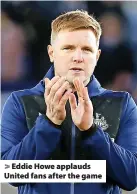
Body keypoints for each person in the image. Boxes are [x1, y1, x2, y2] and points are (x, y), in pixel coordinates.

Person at [1, 10, 137, 194]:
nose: (78, 57)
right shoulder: (20, 102)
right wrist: (49, 124)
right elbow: (10, 174)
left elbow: (131, 177)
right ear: (51, 53)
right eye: (68, 48)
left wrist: (91, 131)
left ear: (97, 57)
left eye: (87, 50)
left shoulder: (122, 104)